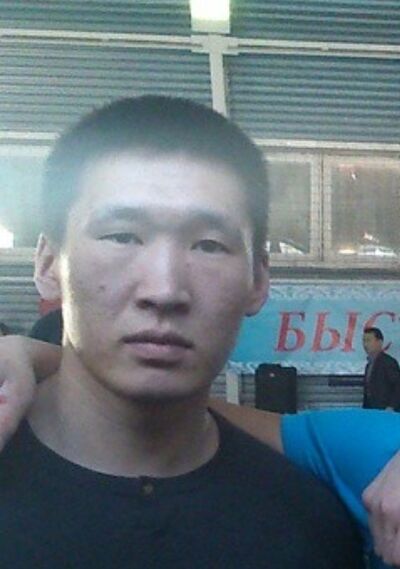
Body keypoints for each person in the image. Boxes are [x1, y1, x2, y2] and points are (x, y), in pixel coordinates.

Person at [0, 96, 364, 569]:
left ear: (258, 280)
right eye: (122, 236)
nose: (165, 289)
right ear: (49, 265)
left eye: (208, 245)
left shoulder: (309, 528)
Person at [362, 327, 400, 410]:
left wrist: (392, 406)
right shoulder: (368, 365)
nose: (365, 344)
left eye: (368, 340)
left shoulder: (388, 362)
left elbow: (398, 386)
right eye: (364, 341)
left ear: (379, 342)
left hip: (386, 411)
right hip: (372, 412)